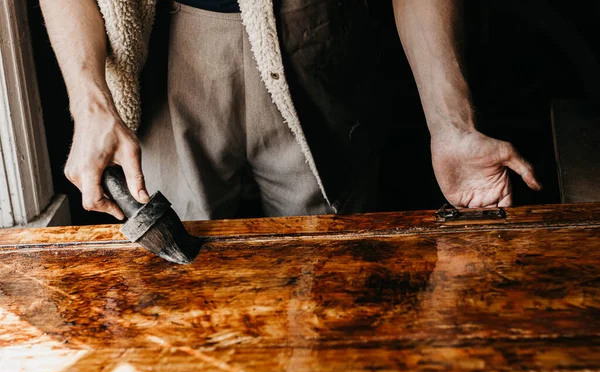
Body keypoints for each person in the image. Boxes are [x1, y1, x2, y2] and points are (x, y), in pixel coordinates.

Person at [39, 0, 542, 221]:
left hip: (320, 37)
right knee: (173, 285)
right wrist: (89, 104)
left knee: (333, 280)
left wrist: (451, 124)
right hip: (167, 48)